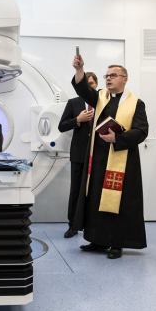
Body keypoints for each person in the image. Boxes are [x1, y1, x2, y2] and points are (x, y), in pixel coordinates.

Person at [71, 54, 148, 259]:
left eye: (113, 75)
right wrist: (80, 69)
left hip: (121, 160)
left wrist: (118, 137)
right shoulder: (100, 97)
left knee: (118, 203)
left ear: (125, 78)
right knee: (96, 199)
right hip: (98, 160)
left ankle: (116, 243)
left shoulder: (136, 103)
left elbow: (142, 131)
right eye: (106, 75)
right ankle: (97, 240)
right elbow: (82, 89)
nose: (108, 79)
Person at [58, 72, 98, 238]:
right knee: (75, 190)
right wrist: (78, 119)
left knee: (95, 191)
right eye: (86, 83)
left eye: (92, 83)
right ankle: (72, 225)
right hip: (79, 154)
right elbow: (62, 126)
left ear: (96, 85)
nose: (89, 86)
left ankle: (94, 226)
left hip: (98, 153)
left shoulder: (103, 101)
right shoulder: (73, 103)